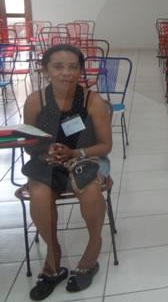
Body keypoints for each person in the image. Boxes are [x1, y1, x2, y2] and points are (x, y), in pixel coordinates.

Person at [21, 44, 112, 300]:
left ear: (81, 70)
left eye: (73, 67)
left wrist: (75, 153)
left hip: (88, 157)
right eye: (58, 67)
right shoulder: (36, 100)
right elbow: (30, 143)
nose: (66, 73)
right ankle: (54, 255)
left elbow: (106, 145)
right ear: (45, 69)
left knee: (91, 188)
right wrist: (46, 151)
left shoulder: (93, 101)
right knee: (39, 194)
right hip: (48, 161)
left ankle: (93, 248)